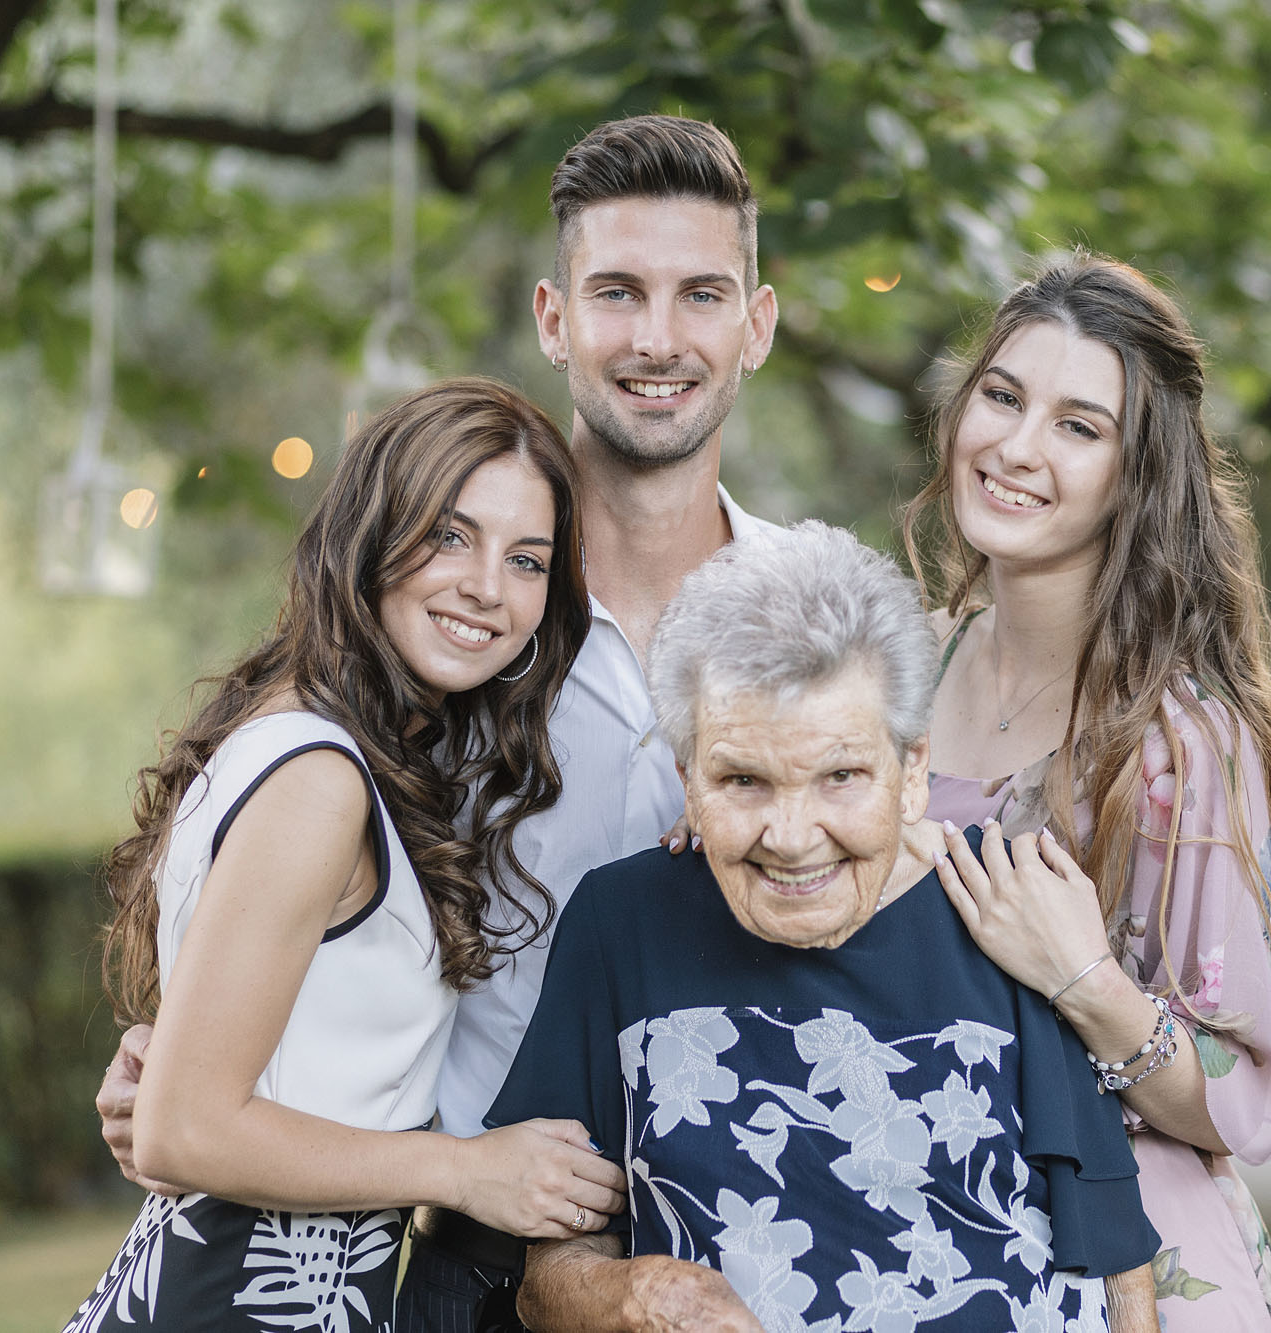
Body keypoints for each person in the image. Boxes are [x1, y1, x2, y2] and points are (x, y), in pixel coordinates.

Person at [96, 114, 781, 1330]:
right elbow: (276, 946)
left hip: (748, 1219)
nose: (658, 338)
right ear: (553, 318)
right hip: (465, 1249)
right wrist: (178, 1064)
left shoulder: (811, 621)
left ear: (756, 324)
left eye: (701, 295)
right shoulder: (456, 667)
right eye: (616, 291)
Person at [496, 522, 1161, 1333]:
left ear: (912, 770)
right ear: (688, 779)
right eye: (743, 778)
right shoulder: (619, 922)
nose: (792, 834)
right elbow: (547, 1272)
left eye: (841, 775)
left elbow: (1116, 1262)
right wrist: (635, 1294)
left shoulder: (1009, 902)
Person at [65, 380, 627, 1333]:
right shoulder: (319, 779)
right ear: (371, 537)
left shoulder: (331, 744)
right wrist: (468, 1170)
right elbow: (186, 1126)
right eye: (450, 535)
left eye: (526, 559)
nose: (487, 585)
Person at [906, 254, 1271, 1331]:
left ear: (1135, 472)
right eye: (1002, 397)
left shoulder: (1174, 742)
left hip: (1120, 1264)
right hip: (916, 1225)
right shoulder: (896, 677)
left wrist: (1081, 976)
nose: (1016, 448)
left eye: (1079, 426)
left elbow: (1244, 1097)